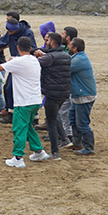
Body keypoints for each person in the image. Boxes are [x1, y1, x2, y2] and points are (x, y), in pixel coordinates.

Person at [0, 37, 50, 167]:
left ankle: (18, 157)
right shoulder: (34, 60)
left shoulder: (18, 62)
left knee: (19, 128)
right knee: (27, 126)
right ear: (30, 48)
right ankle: (38, 150)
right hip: (35, 100)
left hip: (24, 102)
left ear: (17, 48)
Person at [0, 16, 37, 124]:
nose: (9, 33)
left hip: (24, 65)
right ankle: (11, 113)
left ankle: (33, 118)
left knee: (25, 91)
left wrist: (18, 58)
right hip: (16, 64)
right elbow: (2, 41)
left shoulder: (28, 33)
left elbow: (32, 48)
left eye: (11, 31)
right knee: (8, 88)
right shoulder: (10, 33)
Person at [35, 32, 72, 160]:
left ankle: (55, 152)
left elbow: (34, 64)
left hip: (52, 93)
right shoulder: (66, 56)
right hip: (64, 93)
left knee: (50, 122)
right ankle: (65, 139)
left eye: (47, 40)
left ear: (52, 42)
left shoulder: (50, 57)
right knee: (54, 115)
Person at [68, 38, 97, 155]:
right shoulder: (78, 58)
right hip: (79, 94)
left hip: (84, 96)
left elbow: (63, 68)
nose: (68, 46)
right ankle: (77, 143)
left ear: (75, 48)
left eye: (70, 45)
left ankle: (89, 148)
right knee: (73, 119)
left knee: (82, 123)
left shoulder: (78, 60)